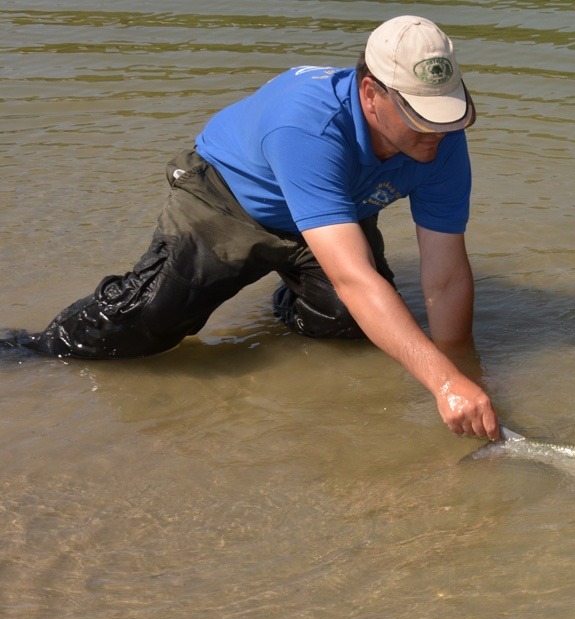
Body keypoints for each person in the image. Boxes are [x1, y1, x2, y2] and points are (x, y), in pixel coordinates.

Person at [4, 16, 500, 440]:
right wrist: (443, 385)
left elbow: (446, 275)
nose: (435, 132)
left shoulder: (441, 137)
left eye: (445, 114)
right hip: (229, 200)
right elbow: (356, 278)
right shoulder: (307, 126)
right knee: (141, 328)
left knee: (350, 326)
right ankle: (26, 348)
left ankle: (290, 297)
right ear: (371, 94)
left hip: (332, 218)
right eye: (419, 116)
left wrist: (464, 374)